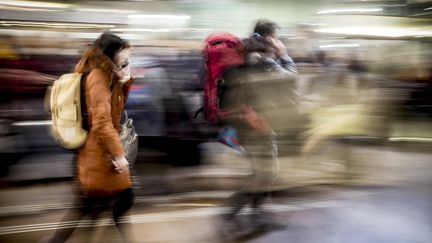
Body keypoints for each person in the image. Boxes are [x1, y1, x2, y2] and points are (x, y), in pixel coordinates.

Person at [44, 32, 135, 243]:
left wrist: (125, 80)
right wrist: (119, 154)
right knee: (121, 199)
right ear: (111, 53)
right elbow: (102, 122)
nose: (127, 58)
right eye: (124, 53)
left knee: (89, 206)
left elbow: (117, 107)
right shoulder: (97, 76)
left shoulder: (107, 73)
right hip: (99, 151)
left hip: (100, 150)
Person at [219, 19, 297, 237]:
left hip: (246, 123)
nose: (278, 41)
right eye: (276, 37)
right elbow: (290, 79)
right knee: (266, 172)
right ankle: (229, 212)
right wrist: (284, 54)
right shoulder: (261, 57)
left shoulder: (245, 52)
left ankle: (257, 213)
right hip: (257, 124)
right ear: (270, 37)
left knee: (262, 171)